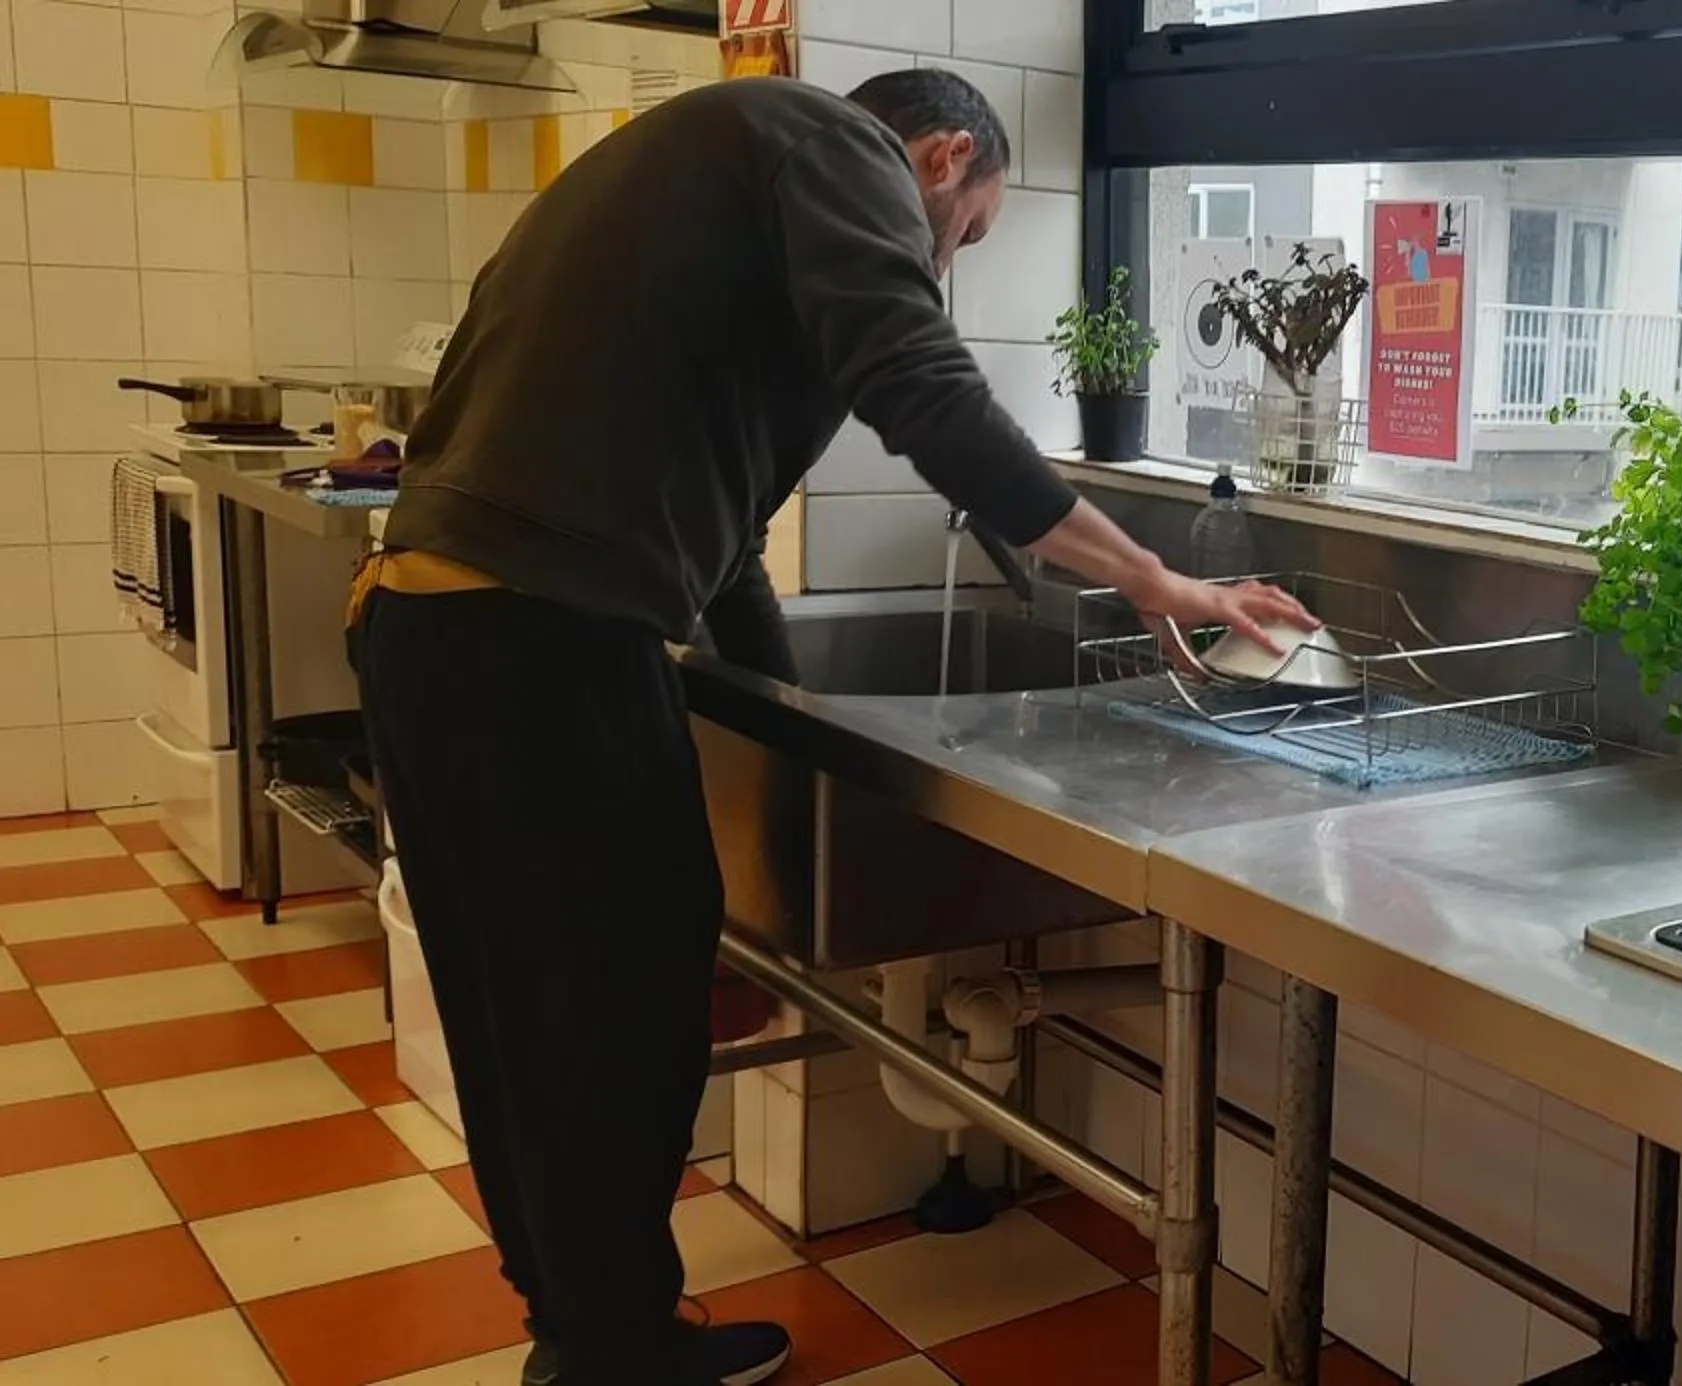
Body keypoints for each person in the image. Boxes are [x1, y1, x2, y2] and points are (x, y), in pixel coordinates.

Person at [350, 71, 1311, 1386]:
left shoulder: (724, 180)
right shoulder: (832, 148)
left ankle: (589, 1340)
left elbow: (731, 545)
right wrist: (1157, 577)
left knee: (533, 1025)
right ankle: (609, 1354)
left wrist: (789, 708)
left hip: (435, 628)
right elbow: (927, 392)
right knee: (609, 1023)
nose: (945, 265)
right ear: (939, 157)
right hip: (544, 642)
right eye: (965, 232)